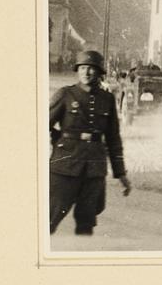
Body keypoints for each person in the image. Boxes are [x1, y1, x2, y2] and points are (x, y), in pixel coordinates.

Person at [49, 50, 132, 235]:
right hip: (64, 167)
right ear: (77, 71)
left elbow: (113, 139)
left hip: (94, 170)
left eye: (91, 69)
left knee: (86, 223)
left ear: (99, 73)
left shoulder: (107, 99)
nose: (86, 73)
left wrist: (121, 173)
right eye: (83, 68)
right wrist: (58, 139)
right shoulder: (66, 95)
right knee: (49, 219)